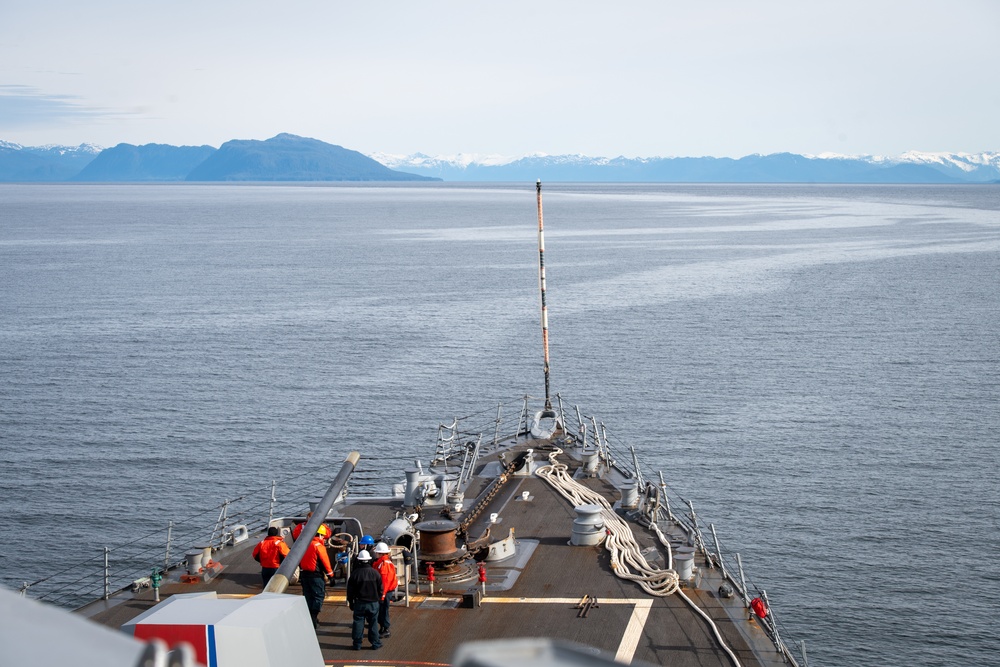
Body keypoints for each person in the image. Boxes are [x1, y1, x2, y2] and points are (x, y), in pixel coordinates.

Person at [346, 550, 383, 650]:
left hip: (360, 602)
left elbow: (350, 591)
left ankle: (357, 644)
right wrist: (378, 598)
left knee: (358, 622)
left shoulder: (355, 574)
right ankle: (375, 643)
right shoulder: (375, 573)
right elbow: (380, 589)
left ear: (359, 560)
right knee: (373, 622)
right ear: (369, 560)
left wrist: (351, 602)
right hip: (373, 603)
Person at [298, 530, 334, 630]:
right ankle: (313, 617)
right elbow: (325, 562)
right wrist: (331, 576)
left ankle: (309, 617)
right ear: (320, 535)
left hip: (304, 575)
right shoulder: (318, 546)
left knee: (308, 596)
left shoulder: (303, 544)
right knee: (318, 596)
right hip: (316, 576)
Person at [372, 542, 397, 638]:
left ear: (381, 554)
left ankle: (385, 628)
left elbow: (385, 581)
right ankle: (383, 627)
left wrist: (382, 595)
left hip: (384, 592)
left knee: (383, 610)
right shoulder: (383, 563)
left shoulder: (383, 565)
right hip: (384, 591)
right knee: (382, 610)